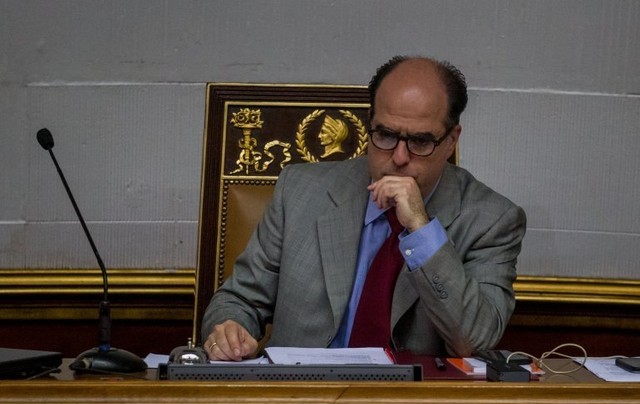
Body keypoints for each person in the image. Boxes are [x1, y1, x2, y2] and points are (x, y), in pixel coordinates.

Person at [202, 55, 527, 361]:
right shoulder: (300, 191)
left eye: (420, 142)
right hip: (300, 392)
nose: (399, 157)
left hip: (411, 400)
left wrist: (421, 229)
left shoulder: (492, 219)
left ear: (451, 140)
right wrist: (230, 329)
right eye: (385, 135)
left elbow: (474, 341)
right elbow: (238, 300)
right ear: (369, 124)